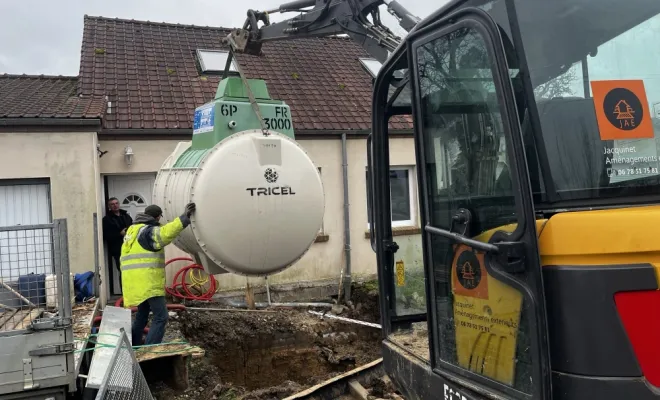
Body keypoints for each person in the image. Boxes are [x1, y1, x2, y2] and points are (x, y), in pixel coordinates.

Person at [120, 202, 196, 346]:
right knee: (161, 316)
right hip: (148, 281)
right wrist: (184, 218)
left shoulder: (133, 230)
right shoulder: (148, 232)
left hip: (134, 282)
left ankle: (135, 345)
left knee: (142, 315)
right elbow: (165, 233)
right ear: (157, 217)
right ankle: (149, 350)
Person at [102, 197, 133, 293]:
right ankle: (125, 294)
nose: (115, 205)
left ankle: (134, 292)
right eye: (112, 204)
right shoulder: (107, 220)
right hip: (118, 249)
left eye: (116, 203)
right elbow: (106, 235)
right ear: (109, 207)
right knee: (123, 271)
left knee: (132, 272)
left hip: (131, 248)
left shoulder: (126, 216)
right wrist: (119, 234)